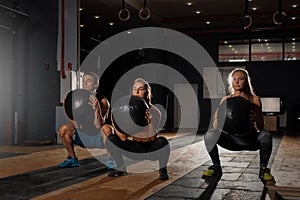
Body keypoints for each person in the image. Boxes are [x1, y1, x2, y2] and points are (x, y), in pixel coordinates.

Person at [202, 68, 275, 183]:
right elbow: (217, 127)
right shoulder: (226, 100)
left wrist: (256, 117)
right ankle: (216, 167)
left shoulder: (255, 100)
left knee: (266, 135)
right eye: (234, 79)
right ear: (231, 82)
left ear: (246, 81)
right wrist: (217, 117)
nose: (237, 82)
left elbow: (261, 127)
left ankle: (263, 169)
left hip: (249, 140)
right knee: (209, 135)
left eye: (240, 79)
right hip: (231, 140)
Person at [106, 78, 170, 180]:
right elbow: (122, 138)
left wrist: (149, 122)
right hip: (134, 150)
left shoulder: (154, 111)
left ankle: (163, 170)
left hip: (149, 150)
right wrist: (114, 121)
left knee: (163, 142)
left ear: (146, 92)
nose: (136, 92)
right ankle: (121, 168)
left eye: (140, 89)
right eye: (134, 88)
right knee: (111, 139)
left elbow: (152, 138)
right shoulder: (128, 110)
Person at [58, 72, 115, 169]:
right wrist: (65, 107)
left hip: (98, 138)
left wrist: (97, 109)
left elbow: (98, 125)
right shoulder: (77, 98)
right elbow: (77, 125)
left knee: (108, 129)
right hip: (83, 136)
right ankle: (72, 158)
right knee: (63, 129)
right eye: (83, 81)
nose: (85, 84)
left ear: (96, 84)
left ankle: (111, 160)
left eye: (88, 81)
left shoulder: (103, 102)